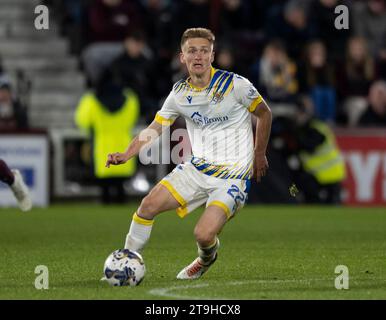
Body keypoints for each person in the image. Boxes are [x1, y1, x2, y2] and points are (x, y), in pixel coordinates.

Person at [105, 28, 272, 280]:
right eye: (192, 50)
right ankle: (126, 262)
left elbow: (264, 113)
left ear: (212, 56)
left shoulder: (234, 84)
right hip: (197, 170)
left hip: (232, 178)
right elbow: (155, 128)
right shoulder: (179, 93)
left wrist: (259, 153)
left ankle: (207, 257)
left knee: (203, 235)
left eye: (204, 51)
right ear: (182, 57)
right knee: (147, 206)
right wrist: (128, 154)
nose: (198, 56)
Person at [75, 76, 140, 204]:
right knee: (121, 190)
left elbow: (81, 120)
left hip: (102, 149)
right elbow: (134, 117)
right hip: (124, 147)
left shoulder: (91, 100)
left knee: (104, 191)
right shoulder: (130, 98)